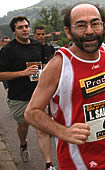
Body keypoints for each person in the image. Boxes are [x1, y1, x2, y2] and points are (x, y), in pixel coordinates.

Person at [24, 3, 105, 169]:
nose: (89, 31)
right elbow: (31, 113)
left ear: (104, 27)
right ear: (68, 31)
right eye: (81, 25)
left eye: (95, 24)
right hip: (80, 161)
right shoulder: (59, 65)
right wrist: (63, 132)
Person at [0, 16, 56, 170]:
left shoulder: (38, 45)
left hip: (38, 95)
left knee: (41, 129)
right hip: (18, 97)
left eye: (26, 26)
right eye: (20, 27)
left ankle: (48, 165)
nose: (25, 29)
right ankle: (23, 144)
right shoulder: (7, 50)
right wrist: (22, 73)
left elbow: (45, 63)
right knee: (23, 127)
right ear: (14, 31)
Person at [33, 26, 56, 170]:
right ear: (34, 35)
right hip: (33, 86)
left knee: (51, 110)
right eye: (38, 34)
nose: (41, 37)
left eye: (43, 34)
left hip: (50, 84)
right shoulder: (31, 48)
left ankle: (51, 125)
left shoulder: (49, 48)